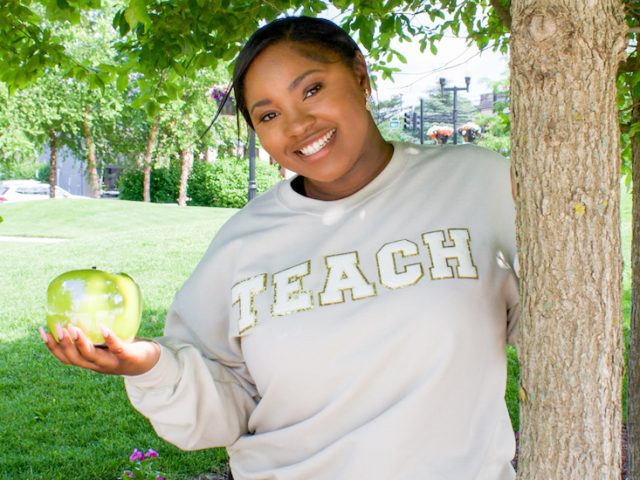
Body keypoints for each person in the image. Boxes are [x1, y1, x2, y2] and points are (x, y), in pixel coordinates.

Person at [39, 16, 520, 480]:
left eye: (312, 90)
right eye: (268, 114)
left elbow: (563, 322)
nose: (298, 125)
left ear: (359, 74)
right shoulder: (243, 241)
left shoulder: (478, 182)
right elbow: (230, 403)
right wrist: (147, 366)